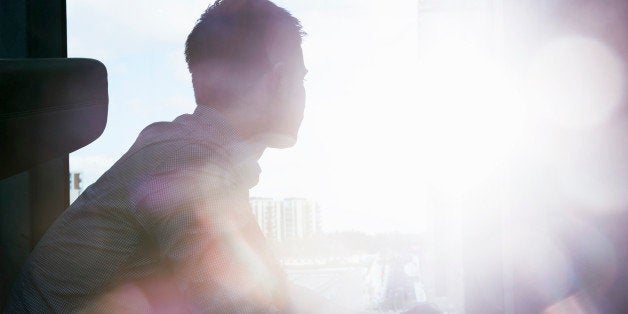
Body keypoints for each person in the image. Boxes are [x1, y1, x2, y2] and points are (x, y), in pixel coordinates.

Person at [6, 0, 308, 312]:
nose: (303, 93)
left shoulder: (193, 154)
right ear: (279, 79)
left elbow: (267, 289)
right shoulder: (188, 163)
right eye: (301, 78)